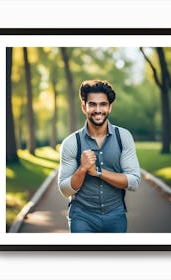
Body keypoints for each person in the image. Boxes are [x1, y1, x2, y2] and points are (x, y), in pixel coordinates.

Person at [58, 80, 140, 233]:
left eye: (103, 104)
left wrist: (99, 173)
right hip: (81, 217)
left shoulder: (123, 137)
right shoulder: (71, 143)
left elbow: (134, 182)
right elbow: (65, 190)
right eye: (92, 104)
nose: (98, 110)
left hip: (116, 215)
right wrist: (82, 169)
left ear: (110, 107)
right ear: (84, 107)